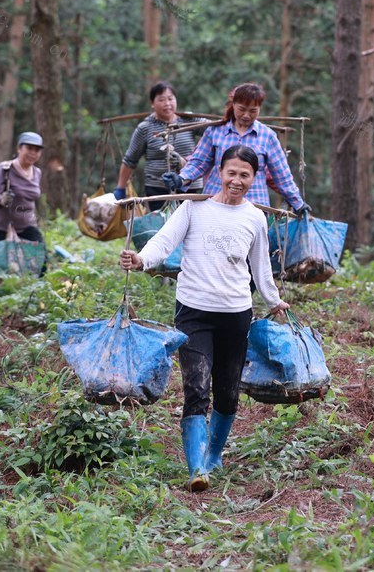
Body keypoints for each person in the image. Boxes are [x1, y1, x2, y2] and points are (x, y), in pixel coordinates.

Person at [119, 145, 290, 492]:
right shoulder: (193, 208)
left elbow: (260, 267)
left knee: (227, 393)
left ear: (254, 179)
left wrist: (273, 300)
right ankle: (196, 467)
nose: (237, 180)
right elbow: (163, 242)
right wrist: (141, 260)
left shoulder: (255, 217)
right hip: (194, 312)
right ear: (219, 173)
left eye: (245, 175)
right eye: (231, 173)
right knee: (196, 388)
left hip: (236, 315)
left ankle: (213, 454)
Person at [162, 82, 312, 215]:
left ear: (259, 109)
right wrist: (181, 179)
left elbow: (282, 175)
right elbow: (198, 163)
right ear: (233, 105)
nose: (246, 115)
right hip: (216, 203)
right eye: (242, 109)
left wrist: (297, 203)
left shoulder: (268, 137)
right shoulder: (215, 131)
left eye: (253, 111)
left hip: (254, 206)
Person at [114, 82, 203, 211]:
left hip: (190, 187)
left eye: (170, 99)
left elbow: (214, 130)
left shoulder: (189, 122)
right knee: (162, 228)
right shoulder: (145, 128)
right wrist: (120, 188)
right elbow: (129, 160)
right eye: (161, 100)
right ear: (152, 103)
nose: (167, 103)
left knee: (190, 227)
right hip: (158, 189)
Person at [0, 131, 46, 246]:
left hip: (27, 226)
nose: (33, 153)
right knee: (0, 263)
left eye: (37, 150)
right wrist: (2, 200)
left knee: (40, 260)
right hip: (1, 227)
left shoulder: (37, 172)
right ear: (19, 148)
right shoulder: (5, 169)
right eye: (29, 148)